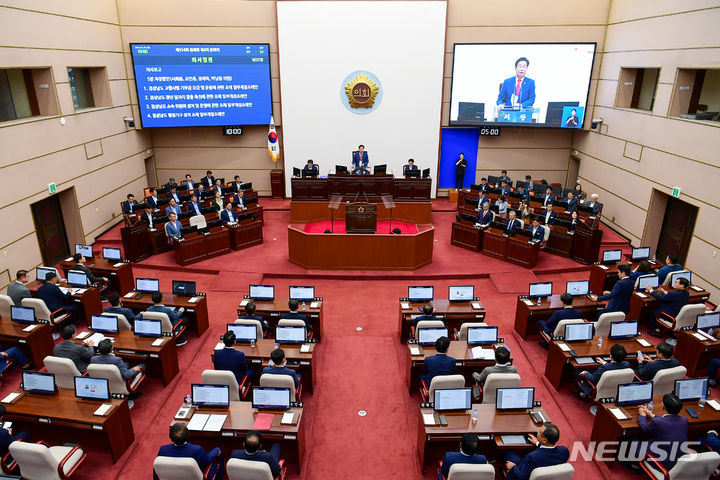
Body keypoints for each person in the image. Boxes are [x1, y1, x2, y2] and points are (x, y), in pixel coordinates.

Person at [630, 394, 688, 471]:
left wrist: (642, 415)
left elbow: (644, 428)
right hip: (677, 458)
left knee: (632, 441)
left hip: (664, 463)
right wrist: (650, 414)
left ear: (663, 406)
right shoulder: (684, 420)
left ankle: (635, 466)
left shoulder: (659, 422)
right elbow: (666, 421)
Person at [155, 422, 222, 480]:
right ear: (188, 436)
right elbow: (207, 461)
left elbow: (157, 471)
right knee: (219, 449)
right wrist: (216, 450)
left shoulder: (162, 450)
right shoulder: (196, 450)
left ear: (170, 438)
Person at [505, 423, 569, 480]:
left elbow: (522, 477)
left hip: (520, 469)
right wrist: (537, 443)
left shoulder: (533, 457)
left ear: (544, 440)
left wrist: (512, 466)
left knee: (506, 449)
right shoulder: (564, 451)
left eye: (539, 432)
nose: (537, 432)